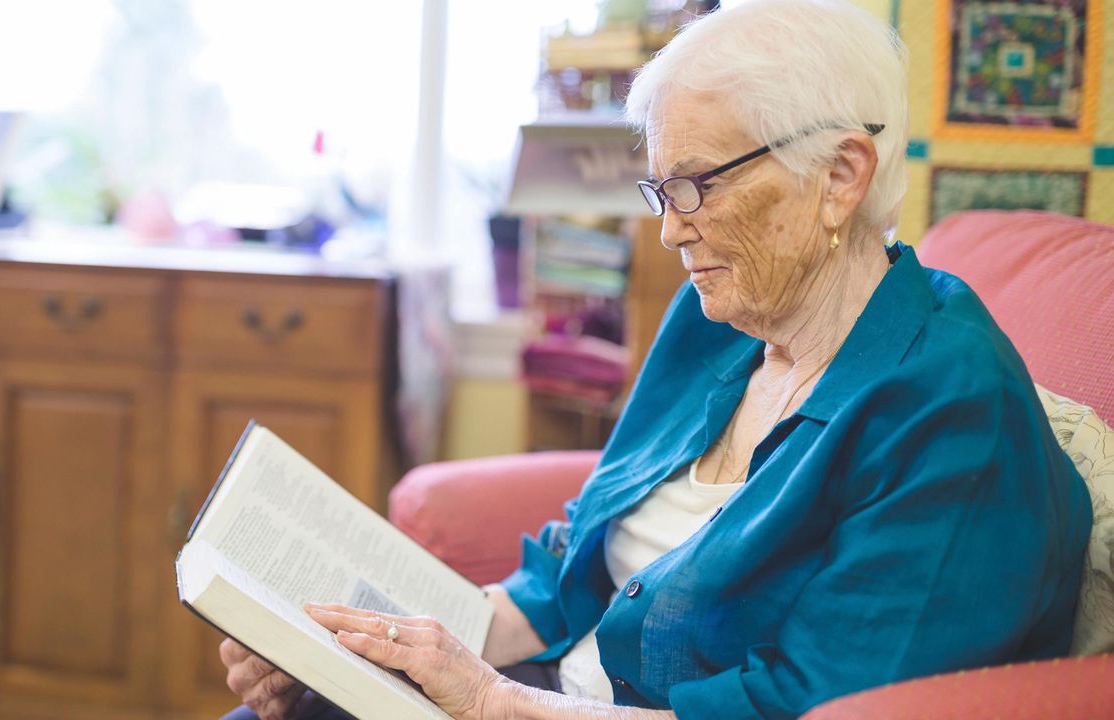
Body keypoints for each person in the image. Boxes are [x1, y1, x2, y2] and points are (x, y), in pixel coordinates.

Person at [219, 0, 1094, 717]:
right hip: (548, 690)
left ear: (840, 176)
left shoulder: (947, 405)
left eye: (698, 185)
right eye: (661, 190)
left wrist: (486, 703)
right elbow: (572, 565)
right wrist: (347, 644)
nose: (673, 229)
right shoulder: (715, 317)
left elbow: (815, 707)